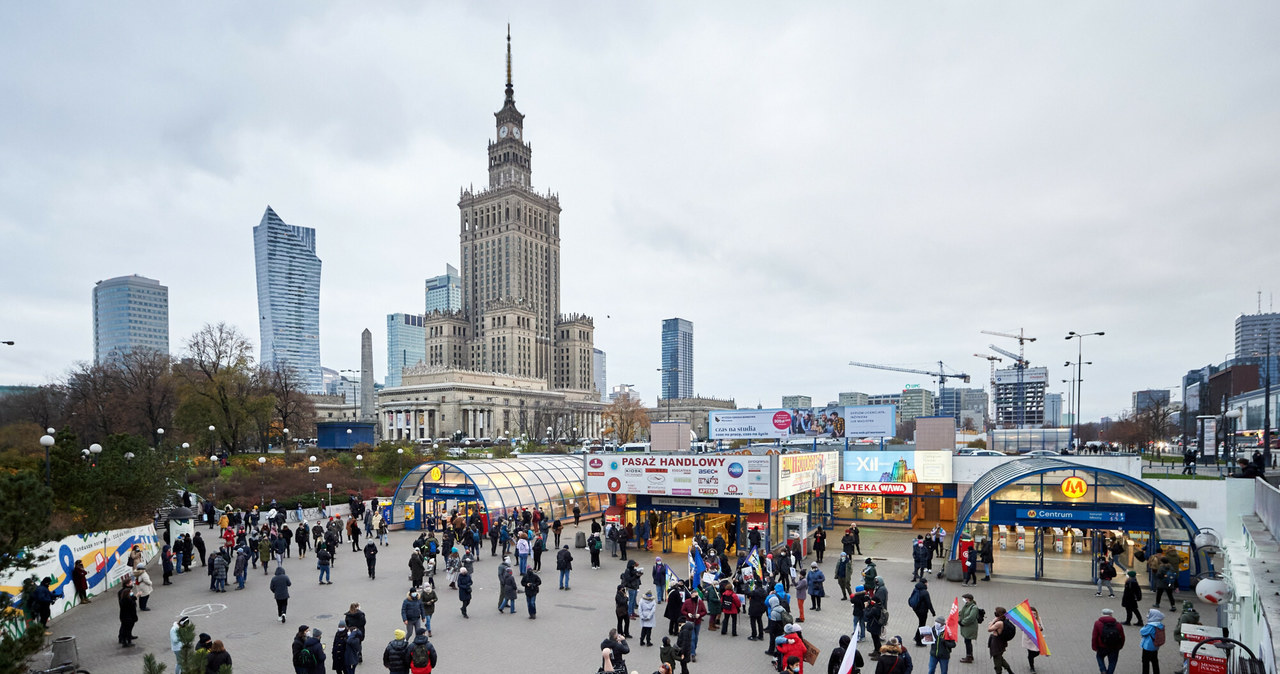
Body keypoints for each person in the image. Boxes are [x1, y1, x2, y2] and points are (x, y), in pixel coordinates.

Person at [1091, 607, 1125, 674]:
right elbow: (1122, 636)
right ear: (1111, 615)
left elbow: (1094, 636)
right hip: (1114, 647)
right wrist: (1120, 646)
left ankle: (1103, 670)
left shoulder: (1097, 623)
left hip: (1102, 646)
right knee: (1113, 661)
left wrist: (1094, 647)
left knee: (1099, 657)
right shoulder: (1118, 624)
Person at [986, 606, 1016, 674]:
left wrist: (993, 621)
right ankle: (1009, 671)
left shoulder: (999, 623)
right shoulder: (1004, 620)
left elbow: (989, 629)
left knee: (997, 658)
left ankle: (998, 672)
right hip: (1001, 642)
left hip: (997, 643)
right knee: (1000, 657)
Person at [910, 579, 936, 646]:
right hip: (923, 611)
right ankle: (918, 641)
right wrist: (933, 612)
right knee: (922, 625)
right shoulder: (925, 592)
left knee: (921, 623)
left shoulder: (916, 588)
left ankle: (916, 637)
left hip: (916, 610)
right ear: (925, 583)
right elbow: (929, 603)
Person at [1139, 608, 1165, 674]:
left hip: (1148, 647)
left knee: (1145, 662)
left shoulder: (1151, 626)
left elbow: (1142, 631)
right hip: (1155, 646)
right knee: (1154, 661)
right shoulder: (1160, 625)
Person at [957, 593, 980, 663]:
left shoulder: (974, 607)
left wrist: (962, 622)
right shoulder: (967, 605)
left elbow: (971, 618)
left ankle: (969, 657)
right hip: (967, 627)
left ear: (968, 599)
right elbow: (962, 612)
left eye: (964, 598)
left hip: (970, 627)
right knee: (967, 641)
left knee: (968, 642)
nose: (964, 600)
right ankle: (970, 656)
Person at [1022, 606, 1044, 673]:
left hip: (1036, 639)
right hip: (1029, 640)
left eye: (1034, 613)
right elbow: (1023, 629)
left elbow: (1042, 628)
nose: (1033, 615)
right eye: (1032, 613)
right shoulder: (1026, 620)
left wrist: (1040, 628)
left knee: (1038, 652)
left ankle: (1030, 658)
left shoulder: (1038, 619)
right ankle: (1032, 667)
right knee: (1030, 653)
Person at [117, 578, 138, 647]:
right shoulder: (124, 594)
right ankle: (123, 639)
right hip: (128, 615)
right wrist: (136, 596)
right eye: (130, 582)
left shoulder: (127, 593)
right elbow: (130, 603)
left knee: (127, 627)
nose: (132, 583)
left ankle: (127, 638)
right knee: (125, 627)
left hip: (126, 615)